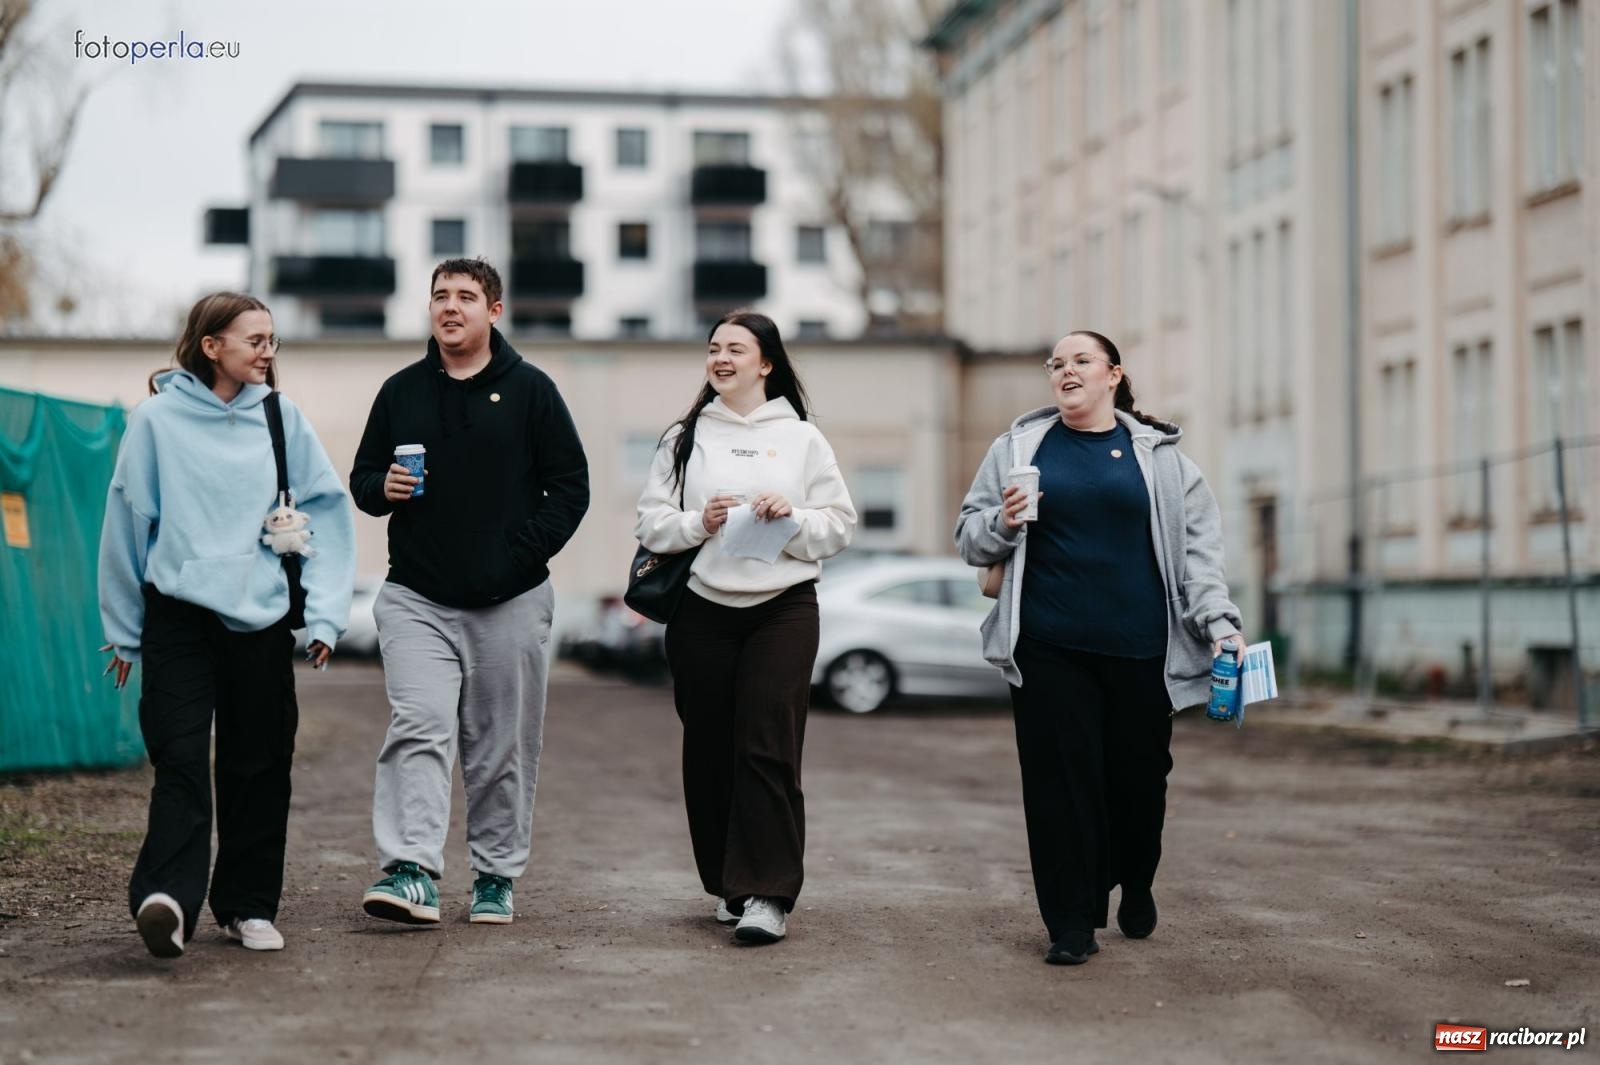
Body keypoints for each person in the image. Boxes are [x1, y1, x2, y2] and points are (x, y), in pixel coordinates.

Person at [954, 329, 1244, 966]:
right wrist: (1003, 522)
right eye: (1056, 364)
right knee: (1060, 784)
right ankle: (1072, 921)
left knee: (1139, 784)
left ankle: (1135, 878)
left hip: (1141, 650)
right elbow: (969, 539)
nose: (1065, 371)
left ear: (1114, 374)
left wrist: (1220, 623)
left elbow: (1199, 557)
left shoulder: (1162, 460)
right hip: (1049, 647)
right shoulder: (1018, 449)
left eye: (1081, 360)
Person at [98, 292, 356, 958]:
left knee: (259, 762)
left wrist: (325, 614)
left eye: (273, 339)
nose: (268, 350)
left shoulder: (281, 417)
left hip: (261, 616)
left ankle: (247, 905)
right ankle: (167, 901)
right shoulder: (155, 420)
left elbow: (327, 510)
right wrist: (125, 629)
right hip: (177, 614)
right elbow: (128, 524)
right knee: (180, 756)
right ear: (211, 345)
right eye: (254, 339)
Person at [349, 258, 589, 926]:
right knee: (418, 725)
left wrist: (519, 552)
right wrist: (382, 488)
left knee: (500, 743)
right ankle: (410, 869)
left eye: (465, 296)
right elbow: (365, 477)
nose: (449, 306)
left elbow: (571, 486)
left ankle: (494, 875)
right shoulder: (401, 391)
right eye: (439, 296)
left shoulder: (532, 391)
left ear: (495, 310)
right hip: (418, 597)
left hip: (509, 601)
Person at [634, 310, 856, 945]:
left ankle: (768, 893)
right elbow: (651, 523)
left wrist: (792, 518)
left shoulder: (803, 439)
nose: (721, 358)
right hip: (701, 611)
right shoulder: (683, 436)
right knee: (709, 748)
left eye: (736, 348)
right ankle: (729, 884)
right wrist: (699, 522)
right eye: (713, 348)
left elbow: (839, 525)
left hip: (783, 608)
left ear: (766, 363)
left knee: (767, 744)